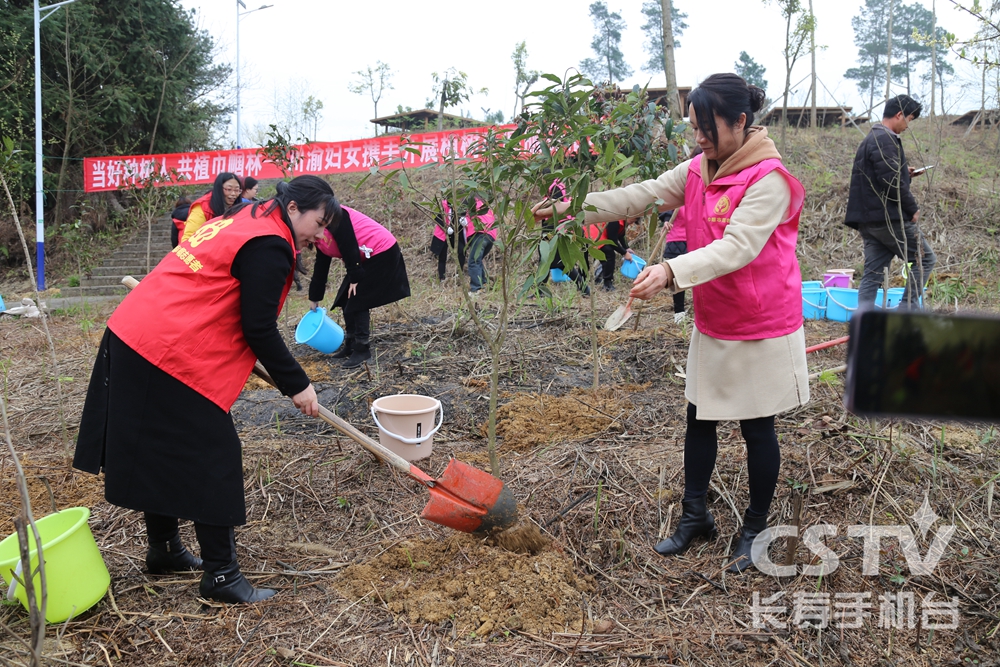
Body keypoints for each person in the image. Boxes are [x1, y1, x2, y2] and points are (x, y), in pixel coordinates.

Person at [533, 73, 808, 574]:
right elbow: (642, 194)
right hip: (716, 316)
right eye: (694, 127)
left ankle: (754, 531)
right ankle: (695, 516)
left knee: (757, 427)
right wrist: (571, 209)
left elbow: (738, 247)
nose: (698, 137)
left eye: (707, 127)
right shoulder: (701, 168)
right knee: (699, 417)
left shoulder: (768, 179)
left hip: (761, 320)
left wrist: (670, 271)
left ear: (740, 122)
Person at [74, 175, 337, 603]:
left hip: (139, 333)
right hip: (166, 349)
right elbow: (258, 327)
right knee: (214, 455)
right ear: (293, 209)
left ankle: (164, 551)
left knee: (158, 450)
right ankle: (221, 577)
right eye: (319, 223)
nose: (319, 235)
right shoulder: (269, 243)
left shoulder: (249, 214)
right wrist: (298, 384)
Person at [845, 94, 935, 309]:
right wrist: (911, 208)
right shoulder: (885, 139)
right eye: (909, 120)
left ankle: (864, 318)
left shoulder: (872, 138)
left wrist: (904, 171)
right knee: (924, 259)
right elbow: (890, 181)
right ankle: (907, 310)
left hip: (870, 220)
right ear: (899, 115)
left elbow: (879, 175)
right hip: (888, 218)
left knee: (873, 272)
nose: (907, 126)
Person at [309, 205, 410, 368]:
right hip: (361, 259)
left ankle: (362, 349)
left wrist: (355, 277)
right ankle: (351, 343)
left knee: (357, 300)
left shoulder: (333, 215)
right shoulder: (318, 236)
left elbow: (349, 245)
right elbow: (321, 266)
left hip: (381, 251)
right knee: (344, 299)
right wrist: (314, 297)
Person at [181, 172, 243, 243]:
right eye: (229, 189)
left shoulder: (237, 208)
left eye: (237, 190)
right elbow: (188, 239)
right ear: (219, 189)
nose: (233, 194)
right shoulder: (202, 207)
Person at [587, 218, 635, 291]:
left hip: (600, 235)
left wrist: (626, 248)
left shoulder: (623, 222)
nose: (633, 221)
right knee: (609, 254)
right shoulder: (615, 220)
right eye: (634, 218)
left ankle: (602, 280)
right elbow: (612, 240)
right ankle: (607, 284)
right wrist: (624, 253)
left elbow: (620, 235)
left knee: (608, 255)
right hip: (593, 234)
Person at [464, 197, 497, 294]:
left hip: (480, 234)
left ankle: (476, 289)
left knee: (473, 261)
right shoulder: (484, 206)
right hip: (491, 236)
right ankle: (483, 283)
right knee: (478, 261)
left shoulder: (470, 203)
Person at [430, 198, 465, 281]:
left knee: (462, 251)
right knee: (442, 256)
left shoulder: (461, 207)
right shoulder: (443, 205)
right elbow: (436, 217)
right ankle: (442, 277)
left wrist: (463, 221)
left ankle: (459, 274)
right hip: (443, 234)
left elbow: (464, 216)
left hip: (456, 234)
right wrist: (446, 227)